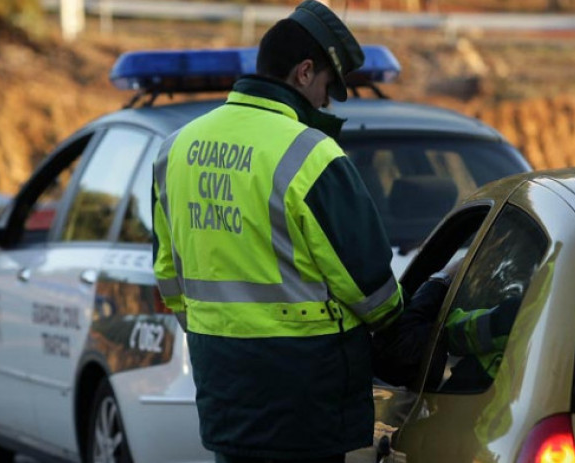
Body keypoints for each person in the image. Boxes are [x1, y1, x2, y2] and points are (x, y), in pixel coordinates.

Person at [152, 2, 405, 461]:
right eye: (328, 86)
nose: (325, 103)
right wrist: (403, 330)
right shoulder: (312, 155)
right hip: (305, 403)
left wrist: (216, 336)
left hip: (224, 393)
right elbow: (374, 293)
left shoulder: (176, 149)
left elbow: (168, 276)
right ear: (305, 72)